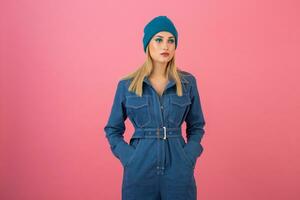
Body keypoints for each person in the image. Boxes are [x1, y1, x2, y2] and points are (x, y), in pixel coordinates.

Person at [104, 15, 206, 200]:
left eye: (171, 41)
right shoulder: (127, 85)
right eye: (158, 40)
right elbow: (113, 129)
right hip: (140, 169)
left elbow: (197, 126)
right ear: (147, 44)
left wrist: (189, 156)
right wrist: (130, 158)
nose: (165, 46)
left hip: (178, 170)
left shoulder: (188, 83)